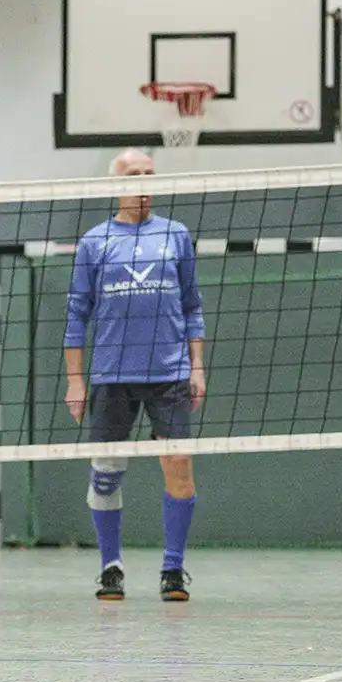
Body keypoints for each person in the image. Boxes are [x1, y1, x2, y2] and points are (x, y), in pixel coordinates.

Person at [64, 149, 206, 601]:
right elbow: (76, 315)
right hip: (111, 373)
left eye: (149, 174)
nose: (143, 182)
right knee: (107, 471)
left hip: (169, 372)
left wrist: (197, 365)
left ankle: (173, 570)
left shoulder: (176, 235)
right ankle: (110, 567)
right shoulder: (94, 242)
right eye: (133, 175)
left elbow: (192, 306)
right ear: (115, 184)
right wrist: (76, 379)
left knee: (178, 464)